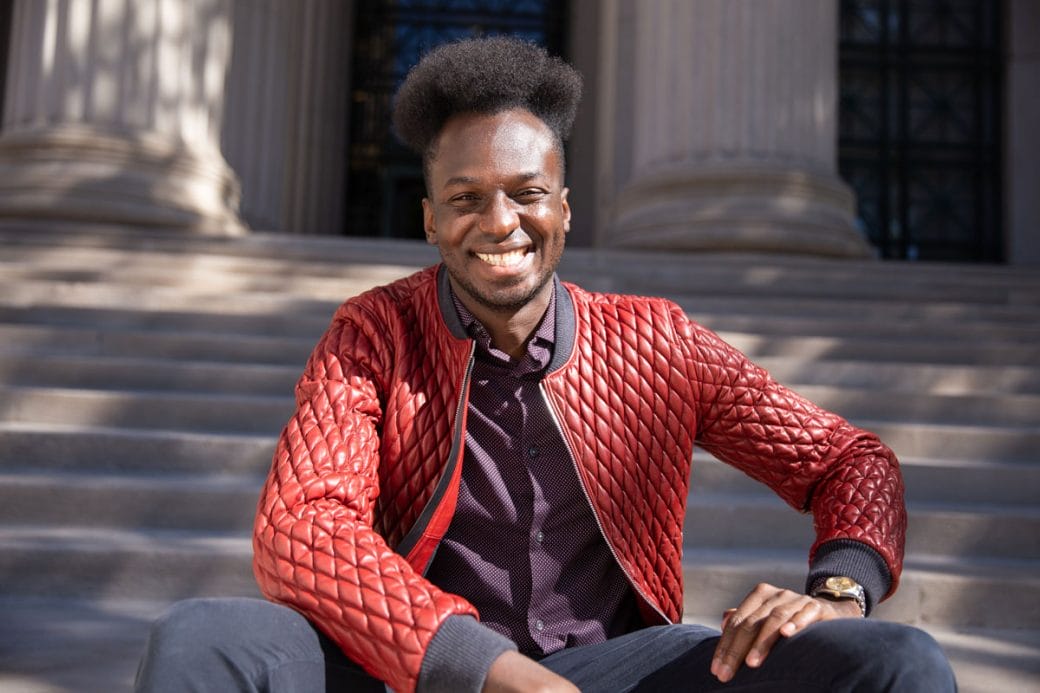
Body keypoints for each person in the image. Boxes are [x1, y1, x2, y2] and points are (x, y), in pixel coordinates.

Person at [136, 36, 955, 692]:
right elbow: (303, 525)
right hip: (419, 669)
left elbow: (851, 460)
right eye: (466, 198)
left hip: (616, 669)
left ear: (564, 207)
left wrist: (838, 594)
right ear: (430, 219)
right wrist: (489, 672)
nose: (500, 222)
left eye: (526, 192)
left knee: (898, 662)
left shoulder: (654, 341)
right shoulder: (374, 333)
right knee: (206, 636)